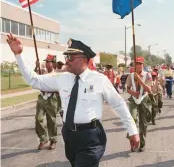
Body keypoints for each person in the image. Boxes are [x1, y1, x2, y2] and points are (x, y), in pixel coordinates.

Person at [6, 33, 139, 167]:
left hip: (91, 137)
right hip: (69, 136)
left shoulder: (99, 79)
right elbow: (34, 80)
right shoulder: (62, 78)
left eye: (70, 57)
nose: (67, 60)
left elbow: (119, 104)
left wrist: (132, 130)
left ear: (83, 59)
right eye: (66, 56)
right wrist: (18, 55)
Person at [126, 56, 152, 152]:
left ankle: (142, 144)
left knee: (143, 123)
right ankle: (133, 142)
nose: (138, 66)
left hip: (144, 100)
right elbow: (127, 88)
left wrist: (139, 79)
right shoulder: (130, 75)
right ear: (134, 65)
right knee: (132, 120)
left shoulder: (148, 75)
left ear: (143, 65)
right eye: (137, 64)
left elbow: (148, 89)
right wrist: (133, 93)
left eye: (140, 64)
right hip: (133, 100)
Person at [34, 54, 59, 150]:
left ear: (53, 63)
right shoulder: (42, 72)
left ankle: (52, 140)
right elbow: (34, 77)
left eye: (48, 62)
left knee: (51, 121)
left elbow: (58, 88)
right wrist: (36, 66)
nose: (46, 63)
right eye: (46, 62)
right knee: (38, 119)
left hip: (51, 99)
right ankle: (43, 139)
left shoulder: (56, 75)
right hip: (41, 98)